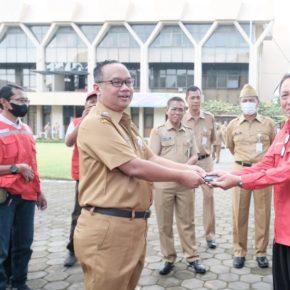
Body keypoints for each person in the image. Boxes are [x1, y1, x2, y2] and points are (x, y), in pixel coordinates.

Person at [74, 60, 205, 290]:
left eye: (128, 82)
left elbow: (150, 158)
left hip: (131, 225)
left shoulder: (125, 123)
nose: (125, 87)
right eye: (116, 82)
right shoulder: (96, 123)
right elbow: (133, 166)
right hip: (108, 227)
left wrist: (188, 168)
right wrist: (181, 177)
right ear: (98, 88)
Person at [210, 71, 290, 290]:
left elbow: (288, 170)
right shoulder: (285, 129)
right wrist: (233, 175)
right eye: (285, 95)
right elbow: (266, 164)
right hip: (286, 229)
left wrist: (239, 182)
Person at [149, 96, 206, 275]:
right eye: (174, 109)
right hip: (163, 185)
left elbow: (196, 155)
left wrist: (185, 170)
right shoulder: (157, 132)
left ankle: (192, 257)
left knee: (187, 221)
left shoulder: (188, 131)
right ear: (167, 110)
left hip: (185, 184)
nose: (177, 112)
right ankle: (168, 258)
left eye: (181, 109)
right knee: (164, 224)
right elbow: (152, 158)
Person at [0, 84, 47, 290]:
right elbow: (20, 166)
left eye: (27, 101)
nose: (25, 104)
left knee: (23, 245)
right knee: (1, 249)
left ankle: (19, 283)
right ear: (4, 102)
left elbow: (33, 164)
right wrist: (15, 168)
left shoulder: (26, 129)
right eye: (20, 101)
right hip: (5, 196)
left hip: (27, 195)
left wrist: (39, 191)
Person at [225, 84, 275, 269]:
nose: (248, 104)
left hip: (262, 172)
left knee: (262, 213)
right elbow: (230, 147)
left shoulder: (268, 123)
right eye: (244, 101)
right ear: (240, 103)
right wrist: (244, 162)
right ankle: (239, 251)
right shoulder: (232, 125)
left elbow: (274, 147)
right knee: (239, 213)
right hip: (240, 171)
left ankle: (261, 252)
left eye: (251, 100)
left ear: (257, 102)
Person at [63, 91, 97, 267]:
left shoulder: (106, 120)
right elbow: (69, 142)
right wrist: (83, 120)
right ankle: (72, 250)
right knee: (78, 214)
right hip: (82, 176)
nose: (92, 103)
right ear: (84, 105)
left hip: (101, 176)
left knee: (100, 214)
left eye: (96, 101)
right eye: (90, 101)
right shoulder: (76, 121)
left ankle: (94, 250)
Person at [182, 86, 218, 249]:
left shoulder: (209, 118)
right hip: (188, 163)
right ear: (187, 99)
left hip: (205, 162)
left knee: (209, 198)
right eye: (192, 98)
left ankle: (210, 235)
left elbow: (213, 139)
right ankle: (189, 238)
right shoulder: (181, 118)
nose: (196, 100)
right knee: (187, 200)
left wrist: (214, 154)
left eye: (198, 97)